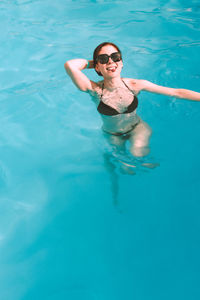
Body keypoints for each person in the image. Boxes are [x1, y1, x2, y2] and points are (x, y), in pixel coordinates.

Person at [64, 42, 200, 157]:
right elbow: (70, 65)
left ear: (122, 63)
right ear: (97, 67)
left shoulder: (135, 85)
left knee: (137, 156)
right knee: (123, 166)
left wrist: (104, 63)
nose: (111, 61)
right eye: (104, 58)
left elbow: (176, 92)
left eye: (115, 57)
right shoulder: (94, 90)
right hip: (113, 135)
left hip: (137, 128)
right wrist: (96, 63)